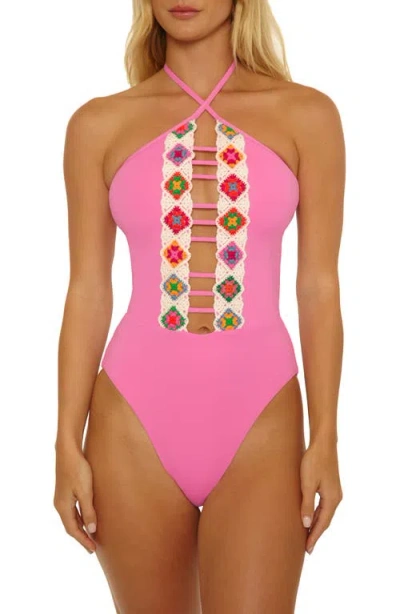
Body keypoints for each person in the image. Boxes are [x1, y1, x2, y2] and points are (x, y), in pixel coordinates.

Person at [54, 1, 345, 612]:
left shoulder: (307, 116)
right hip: (131, 423)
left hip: (262, 419)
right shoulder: (97, 125)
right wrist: (64, 442)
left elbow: (318, 285)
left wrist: (326, 437)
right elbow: (88, 291)